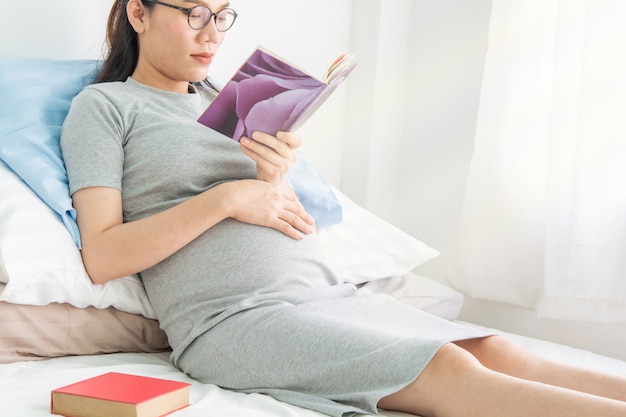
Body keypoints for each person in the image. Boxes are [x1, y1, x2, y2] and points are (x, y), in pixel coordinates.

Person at [60, 1, 626, 416]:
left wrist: (271, 174)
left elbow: (265, 207)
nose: (213, 34)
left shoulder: (229, 101)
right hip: (234, 321)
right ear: (138, 12)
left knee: (491, 347)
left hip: (329, 297)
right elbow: (103, 255)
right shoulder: (106, 107)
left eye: (224, 15)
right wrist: (228, 196)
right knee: (449, 369)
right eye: (194, 14)